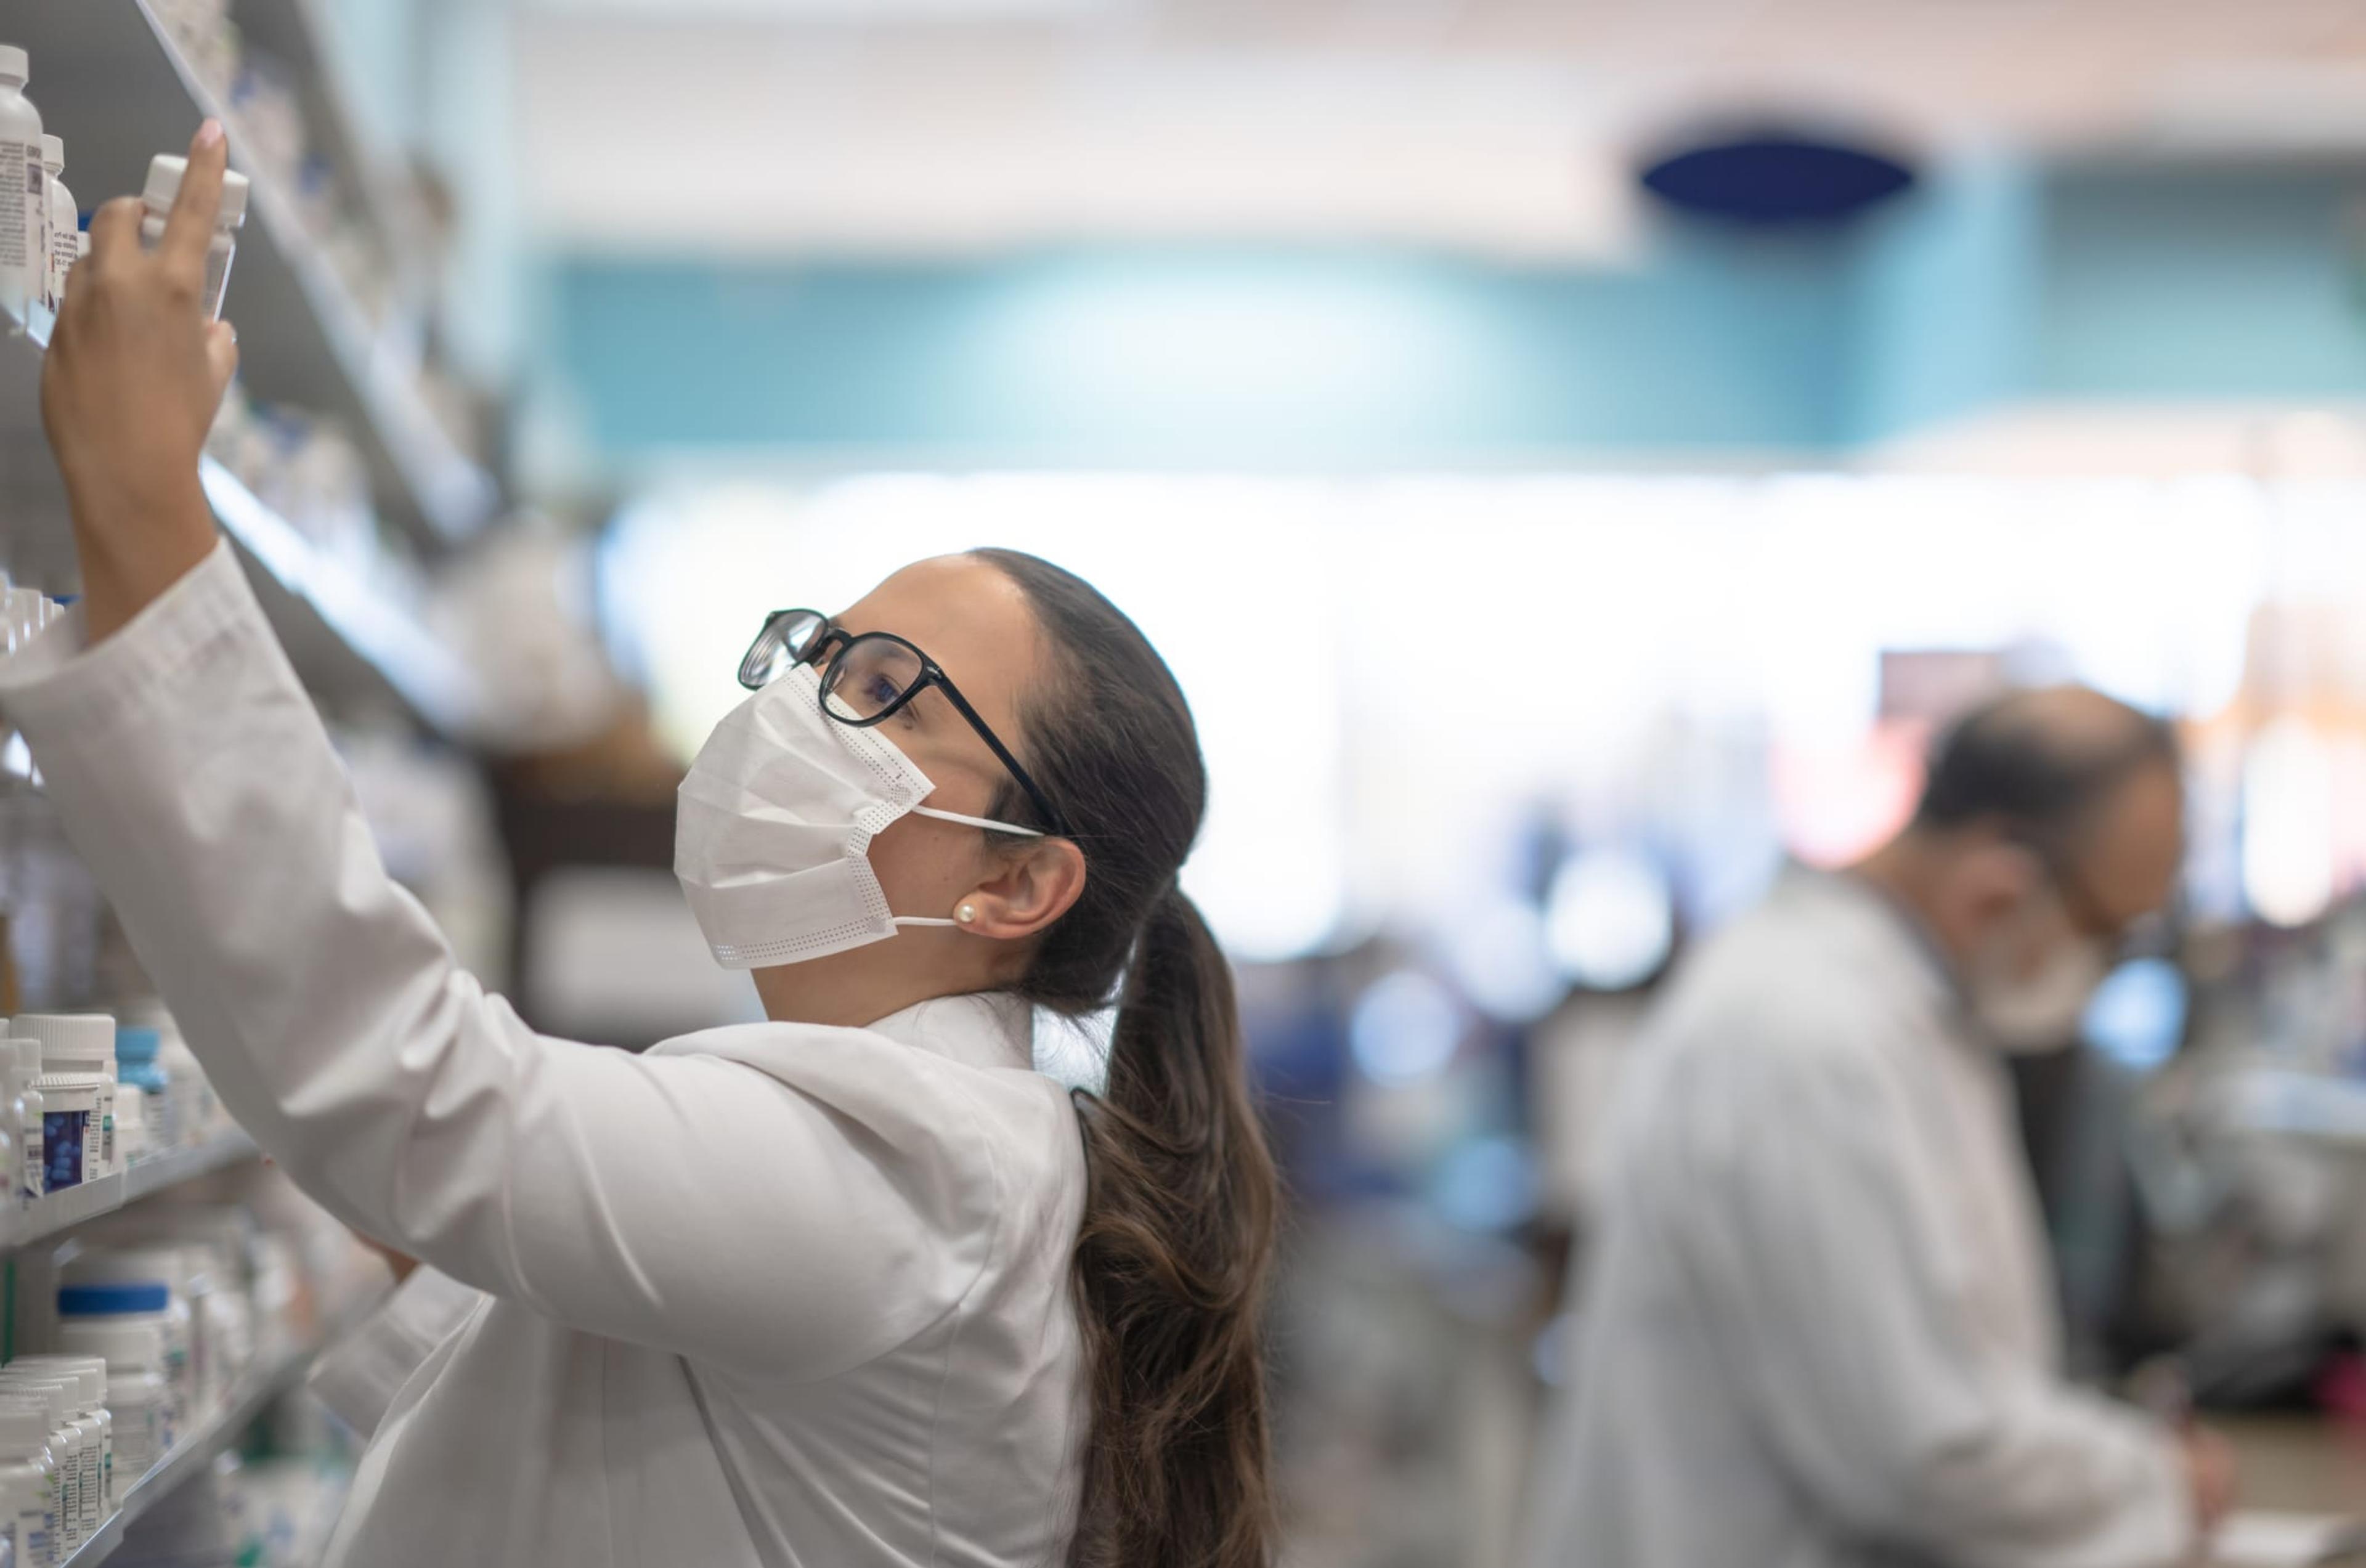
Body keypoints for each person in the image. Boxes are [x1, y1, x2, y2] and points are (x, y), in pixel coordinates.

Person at [6, 124, 1278, 1568]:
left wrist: (147, 510)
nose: (797, 703)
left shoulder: (920, 1168)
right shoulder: (921, 1149)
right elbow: (611, 1410)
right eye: (817, 652)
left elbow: (433, 1100)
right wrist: (397, 1220)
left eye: (878, 692)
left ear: (1017, 881)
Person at [1524, 685, 2237, 1568]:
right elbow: (1924, 1453)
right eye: (2110, 935)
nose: (2102, 973)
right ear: (1994, 889)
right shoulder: (1806, 1034)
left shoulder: (1904, 1010)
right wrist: (2154, 1479)